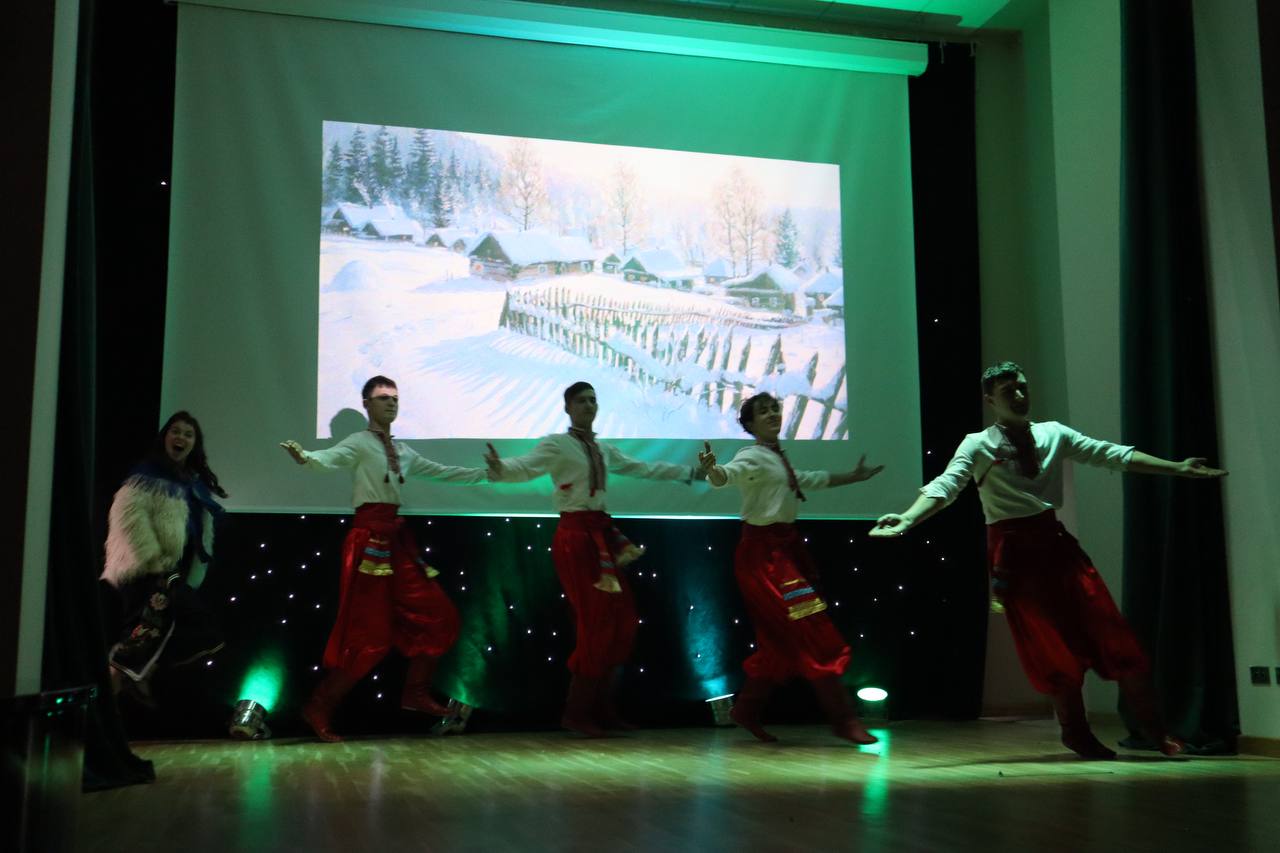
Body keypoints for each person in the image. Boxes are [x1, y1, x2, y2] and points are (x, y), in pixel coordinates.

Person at [869, 361, 1227, 758]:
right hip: (1013, 557)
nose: (1019, 396)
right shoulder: (978, 443)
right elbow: (947, 485)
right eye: (1008, 392)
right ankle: (1076, 733)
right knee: (1053, 652)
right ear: (990, 400)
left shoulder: (1053, 433)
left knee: (1114, 636)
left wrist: (1177, 468)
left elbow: (1110, 454)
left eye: (1022, 387)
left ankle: (1158, 733)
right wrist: (908, 518)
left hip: (1057, 546)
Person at [484, 381, 700, 737]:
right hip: (575, 538)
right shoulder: (557, 444)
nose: (589, 405)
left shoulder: (603, 448)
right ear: (567, 407)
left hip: (600, 536)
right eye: (582, 401)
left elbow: (641, 468)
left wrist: (688, 472)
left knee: (622, 621)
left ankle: (602, 707)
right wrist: (499, 467)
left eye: (593, 400)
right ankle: (578, 711)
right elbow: (525, 466)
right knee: (596, 622)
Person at [281, 375, 489, 742]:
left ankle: (415, 692)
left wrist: (487, 475)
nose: (391, 402)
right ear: (367, 404)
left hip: (395, 541)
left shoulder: (403, 451)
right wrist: (306, 457)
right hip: (369, 542)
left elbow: (442, 472)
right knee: (370, 636)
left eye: (394, 397)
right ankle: (319, 707)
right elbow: (328, 458)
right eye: (382, 398)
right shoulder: (359, 442)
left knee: (439, 615)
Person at [699, 392, 884, 745]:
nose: (772, 414)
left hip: (780, 555)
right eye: (763, 411)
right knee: (813, 629)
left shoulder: (776, 458)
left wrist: (854, 477)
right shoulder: (752, 456)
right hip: (762, 560)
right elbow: (727, 475)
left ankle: (746, 709)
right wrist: (712, 470)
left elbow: (810, 479)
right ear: (750, 423)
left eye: (775, 409)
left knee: (780, 642)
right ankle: (843, 720)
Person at [102, 411, 228, 705]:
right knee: (140, 640)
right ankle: (108, 702)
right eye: (176, 431)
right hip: (148, 569)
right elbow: (129, 518)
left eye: (188, 434)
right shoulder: (146, 476)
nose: (181, 437)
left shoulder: (192, 482)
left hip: (172, 571)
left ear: (194, 444)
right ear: (165, 438)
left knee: (192, 633)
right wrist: (153, 560)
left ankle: (143, 672)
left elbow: (200, 527)